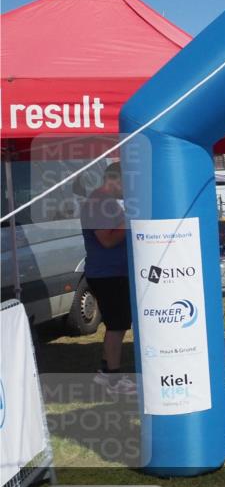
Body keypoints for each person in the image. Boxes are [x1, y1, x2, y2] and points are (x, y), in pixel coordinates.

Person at [80, 163, 135, 394]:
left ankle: (105, 372)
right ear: (116, 180)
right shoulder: (99, 203)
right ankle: (113, 378)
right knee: (117, 325)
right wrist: (130, 221)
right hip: (107, 274)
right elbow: (107, 240)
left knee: (118, 324)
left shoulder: (106, 203)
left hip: (112, 272)